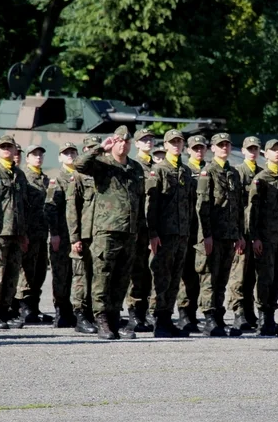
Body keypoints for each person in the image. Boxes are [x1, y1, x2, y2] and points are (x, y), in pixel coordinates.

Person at [73, 126, 145, 340]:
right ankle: (101, 318)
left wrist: (140, 230)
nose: (122, 144)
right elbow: (79, 165)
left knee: (122, 278)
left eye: (126, 141)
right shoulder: (102, 164)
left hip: (129, 232)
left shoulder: (135, 168)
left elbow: (139, 201)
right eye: (119, 140)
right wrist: (99, 148)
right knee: (102, 276)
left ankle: (114, 319)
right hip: (106, 230)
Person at [145, 129, 195, 337]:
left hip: (181, 234)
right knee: (161, 278)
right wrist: (152, 233)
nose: (176, 145)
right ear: (165, 146)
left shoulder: (185, 171)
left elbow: (191, 204)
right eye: (172, 142)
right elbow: (151, 205)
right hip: (163, 236)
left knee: (175, 279)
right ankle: (158, 319)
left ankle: (167, 317)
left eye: (179, 142)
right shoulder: (159, 171)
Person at [196, 132, 246, 337]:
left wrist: (240, 234)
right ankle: (209, 318)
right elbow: (202, 207)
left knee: (222, 278)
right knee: (209, 277)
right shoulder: (208, 172)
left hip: (229, 235)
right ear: (212, 149)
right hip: (213, 235)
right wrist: (205, 235)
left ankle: (218, 317)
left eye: (227, 144)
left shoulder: (233, 173)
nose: (224, 147)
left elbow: (238, 207)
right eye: (220, 145)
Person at [248, 139, 278, 336]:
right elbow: (252, 211)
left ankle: (271, 319)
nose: (276, 153)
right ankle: (263, 320)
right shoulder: (261, 179)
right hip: (266, 238)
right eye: (272, 150)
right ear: (265, 154)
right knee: (265, 278)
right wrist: (255, 237)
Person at [0, 135, 28, 330]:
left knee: (12, 275)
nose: (6, 151)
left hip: (17, 231)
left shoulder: (19, 174)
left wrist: (25, 233)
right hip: (1, 231)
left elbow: (24, 205)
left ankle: (5, 309)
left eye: (9, 147)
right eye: (2, 148)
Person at [227, 136, 262, 331]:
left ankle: (249, 312)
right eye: (249, 149)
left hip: (255, 232)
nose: (252, 152)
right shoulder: (238, 173)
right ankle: (238, 312)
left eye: (255, 148)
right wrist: (237, 233)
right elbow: (234, 206)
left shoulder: (261, 174)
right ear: (242, 151)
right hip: (242, 231)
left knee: (251, 276)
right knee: (238, 275)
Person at [123, 128, 156, 335]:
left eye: (150, 139)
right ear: (136, 144)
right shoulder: (134, 167)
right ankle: (134, 313)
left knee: (149, 271)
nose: (148, 142)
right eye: (144, 140)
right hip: (136, 226)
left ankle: (146, 311)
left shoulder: (158, 166)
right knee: (135, 271)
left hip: (152, 227)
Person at [66, 136, 100, 334]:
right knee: (81, 276)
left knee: (98, 277)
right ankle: (81, 316)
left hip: (101, 233)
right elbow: (72, 209)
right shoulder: (78, 176)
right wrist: (74, 237)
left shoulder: (103, 173)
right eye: (88, 148)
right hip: (84, 234)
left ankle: (97, 314)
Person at [16, 144, 52, 324]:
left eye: (40, 154)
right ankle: (24, 308)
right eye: (34, 154)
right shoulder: (24, 178)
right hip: (29, 232)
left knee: (39, 272)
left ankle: (35, 307)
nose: (38, 157)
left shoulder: (44, 179)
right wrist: (23, 233)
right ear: (27, 158)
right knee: (27, 272)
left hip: (42, 233)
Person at [44, 142, 78, 328]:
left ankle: (75, 310)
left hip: (78, 234)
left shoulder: (82, 177)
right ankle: (61, 311)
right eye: (66, 153)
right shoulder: (57, 179)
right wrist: (54, 234)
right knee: (61, 274)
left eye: (73, 152)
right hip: (62, 234)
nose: (70, 155)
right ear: (60, 157)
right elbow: (50, 208)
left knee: (78, 275)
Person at [176, 135, 207, 334]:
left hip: (203, 229)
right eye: (195, 148)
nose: (198, 151)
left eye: (201, 148)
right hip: (186, 228)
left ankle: (194, 313)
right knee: (185, 273)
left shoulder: (210, 170)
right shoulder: (185, 170)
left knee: (200, 273)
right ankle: (184, 314)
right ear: (188, 150)